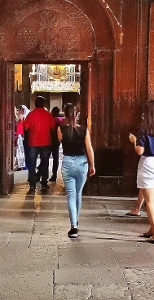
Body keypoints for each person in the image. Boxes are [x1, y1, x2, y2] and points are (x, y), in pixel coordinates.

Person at [128, 99, 154, 244]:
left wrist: (134, 141)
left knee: (150, 201)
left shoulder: (144, 128)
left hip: (148, 164)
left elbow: (140, 151)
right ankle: (153, 229)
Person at [58, 103, 95, 238]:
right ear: (77, 115)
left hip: (68, 162)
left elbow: (61, 142)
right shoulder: (84, 130)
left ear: (65, 115)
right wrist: (92, 165)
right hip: (82, 163)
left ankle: (73, 226)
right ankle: (76, 220)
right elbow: (89, 149)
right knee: (78, 193)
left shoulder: (60, 129)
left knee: (71, 195)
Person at [24, 95, 56, 193]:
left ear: (35, 104)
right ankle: (44, 184)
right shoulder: (48, 115)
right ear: (43, 104)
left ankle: (32, 185)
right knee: (45, 164)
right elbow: (53, 128)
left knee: (32, 164)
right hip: (45, 142)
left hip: (33, 142)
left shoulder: (31, 115)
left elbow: (26, 128)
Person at [47, 106, 63, 183]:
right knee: (55, 158)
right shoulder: (60, 121)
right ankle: (54, 174)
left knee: (45, 158)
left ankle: (43, 175)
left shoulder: (49, 120)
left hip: (48, 141)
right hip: (56, 142)